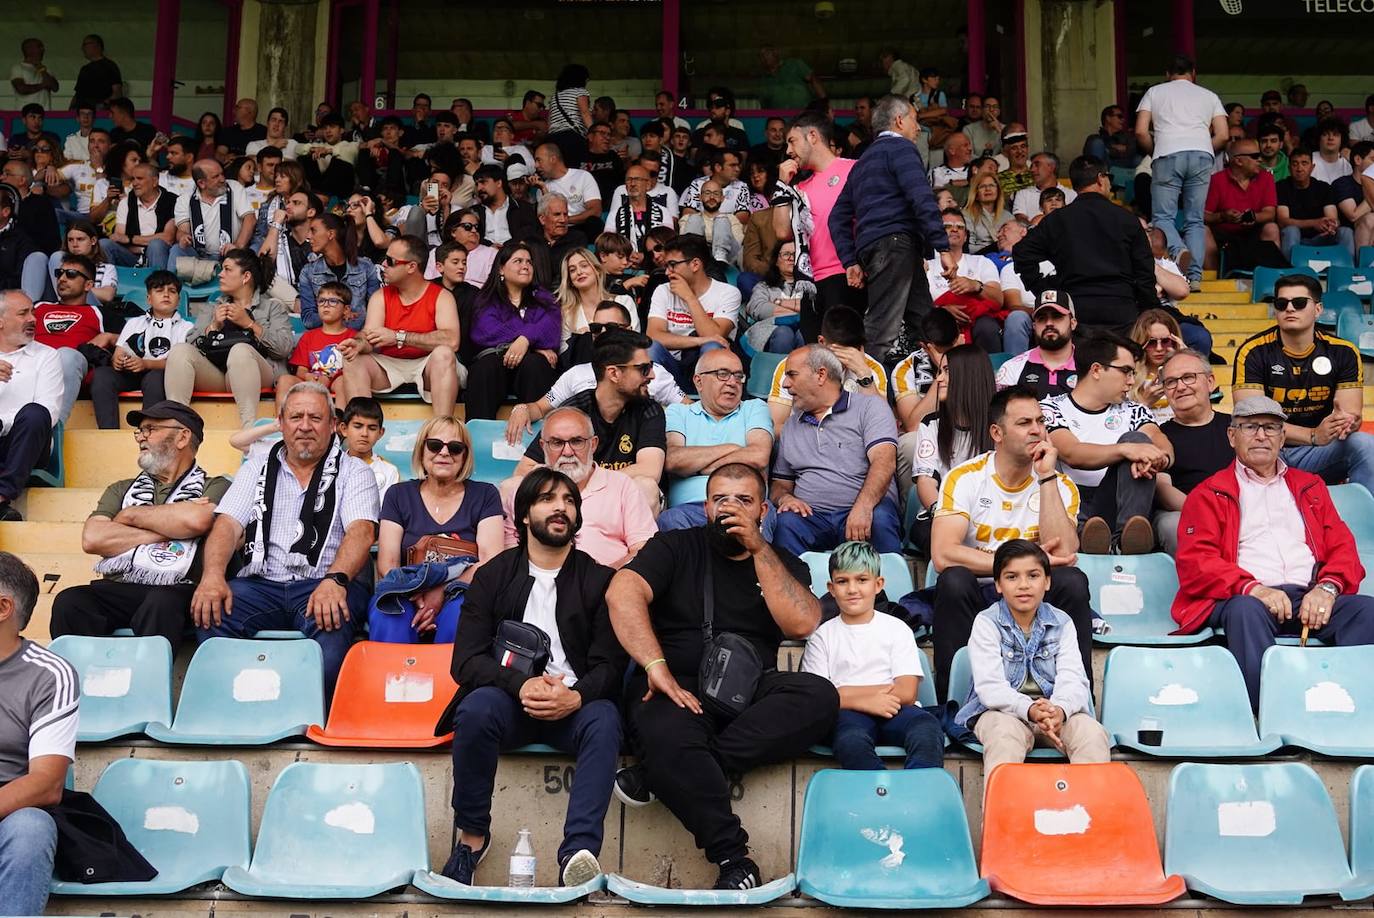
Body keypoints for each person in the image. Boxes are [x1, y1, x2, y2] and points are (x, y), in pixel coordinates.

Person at [608, 463, 837, 891]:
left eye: (743, 501)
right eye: (720, 500)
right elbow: (622, 592)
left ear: (763, 510)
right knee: (669, 736)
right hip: (674, 685)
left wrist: (758, 550)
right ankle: (734, 859)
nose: (729, 508)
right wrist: (655, 668)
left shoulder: (781, 562)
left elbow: (804, 623)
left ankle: (664, 773)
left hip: (746, 692)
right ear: (706, 505)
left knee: (819, 696)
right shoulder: (674, 546)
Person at [439, 467, 625, 887]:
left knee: (605, 720)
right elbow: (465, 662)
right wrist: (520, 685)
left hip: (574, 707)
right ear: (524, 515)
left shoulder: (600, 581)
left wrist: (576, 696)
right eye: (547, 499)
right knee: (475, 709)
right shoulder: (493, 576)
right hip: (510, 704)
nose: (560, 508)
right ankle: (471, 840)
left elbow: (611, 666)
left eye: (569, 500)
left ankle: (577, 855)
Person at [1172, 396, 1374, 706]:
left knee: (1365, 610)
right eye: (1250, 427)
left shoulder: (1310, 485)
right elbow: (1196, 563)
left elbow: (1342, 546)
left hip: (1307, 595)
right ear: (1232, 436)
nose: (1261, 436)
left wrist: (1327, 588)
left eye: (1270, 428)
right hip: (1244, 598)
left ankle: (1347, 703)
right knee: (1244, 611)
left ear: (1282, 437)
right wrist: (1254, 589)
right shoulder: (1209, 493)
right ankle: (1266, 710)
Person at [191, 382, 379, 695]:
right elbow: (227, 525)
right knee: (212, 611)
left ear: (333, 425)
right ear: (280, 423)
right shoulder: (256, 468)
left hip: (324, 582)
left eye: (315, 418)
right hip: (262, 584)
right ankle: (235, 704)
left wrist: (335, 580)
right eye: (296, 417)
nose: (305, 426)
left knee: (331, 618)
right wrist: (212, 576)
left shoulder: (354, 471)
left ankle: (307, 715)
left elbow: (362, 531)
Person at [929, 386, 1093, 701]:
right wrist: (1015, 567)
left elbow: (1065, 553)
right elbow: (943, 553)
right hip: (980, 589)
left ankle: (1079, 701)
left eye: (1041, 421)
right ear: (997, 432)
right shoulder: (965, 478)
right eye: (1024, 423)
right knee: (952, 580)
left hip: (1036, 595)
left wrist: (1046, 478)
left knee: (1072, 581)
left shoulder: (1061, 486)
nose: (1037, 430)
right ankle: (952, 705)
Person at [50, 401, 229, 647]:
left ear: (183, 437)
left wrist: (131, 516)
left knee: (161, 602)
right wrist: (175, 530)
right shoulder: (121, 489)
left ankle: (149, 682)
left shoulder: (216, 486)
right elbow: (93, 539)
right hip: (122, 586)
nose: (141, 438)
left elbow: (198, 520)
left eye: (150, 429)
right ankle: (82, 681)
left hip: (180, 587)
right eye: (140, 431)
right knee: (70, 602)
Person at [951, 539, 1109, 772]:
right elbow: (990, 687)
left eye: (1033, 576)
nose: (1023, 585)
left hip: (1054, 711)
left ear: (1047, 582)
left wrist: (1059, 710)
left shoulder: (1062, 622)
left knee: (1092, 734)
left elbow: (1074, 679)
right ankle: (1004, 809)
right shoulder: (987, 623)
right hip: (1002, 713)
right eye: (1012, 577)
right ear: (998, 584)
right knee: (1004, 737)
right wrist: (1029, 710)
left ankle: (1088, 808)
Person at [801, 540, 942, 772]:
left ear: (878, 585)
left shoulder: (897, 629)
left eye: (862, 580)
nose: (853, 589)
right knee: (850, 741)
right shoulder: (822, 637)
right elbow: (819, 698)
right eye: (843, 581)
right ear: (831, 588)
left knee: (927, 728)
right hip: (846, 715)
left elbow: (907, 691)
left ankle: (917, 793)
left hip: (894, 708)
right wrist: (865, 701)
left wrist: (845, 692)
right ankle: (880, 794)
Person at [830, 94, 952, 361]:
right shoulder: (902, 149)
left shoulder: (862, 163)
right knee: (880, 330)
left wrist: (850, 260)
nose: (918, 128)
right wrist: (942, 245)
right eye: (915, 120)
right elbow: (920, 196)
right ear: (899, 120)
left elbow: (836, 217)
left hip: (881, 248)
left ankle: (937, 383)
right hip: (896, 244)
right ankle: (858, 392)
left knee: (924, 322)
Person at [1233, 273, 1374, 495]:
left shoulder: (1343, 351)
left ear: (1318, 309)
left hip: (1319, 451)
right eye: (1281, 304)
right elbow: (1252, 420)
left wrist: (1346, 423)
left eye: (1299, 303)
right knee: (1247, 439)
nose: (1289, 309)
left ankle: (1365, 519)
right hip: (1267, 448)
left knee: (1364, 444)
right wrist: (1312, 435)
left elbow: (1349, 415)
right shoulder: (1253, 352)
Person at [372, 416, 504, 644]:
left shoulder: (485, 495)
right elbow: (388, 563)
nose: (444, 453)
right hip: (407, 590)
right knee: (390, 615)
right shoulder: (398, 494)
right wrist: (418, 597)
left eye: (454, 448)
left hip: (464, 590)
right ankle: (394, 678)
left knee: (461, 614)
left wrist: (443, 591)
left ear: (464, 456)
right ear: (422, 450)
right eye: (434, 445)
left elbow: (491, 561)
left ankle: (452, 681)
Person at [1042, 332, 1172, 554]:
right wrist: (1126, 450)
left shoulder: (1133, 410)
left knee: (1138, 439)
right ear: (1096, 370)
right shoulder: (1050, 408)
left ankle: (1126, 541)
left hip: (1118, 502)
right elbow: (1072, 453)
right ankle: (1091, 538)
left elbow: (1160, 442)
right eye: (1126, 372)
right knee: (1134, 444)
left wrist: (1158, 458)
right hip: (1070, 506)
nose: (1132, 381)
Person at [0, 552, 76, 918]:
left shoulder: (50, 674)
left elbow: (46, 784)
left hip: (8, 811)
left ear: (3, 607)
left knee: (32, 828)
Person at [771, 344, 900, 554]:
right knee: (785, 523)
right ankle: (795, 587)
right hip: (812, 517)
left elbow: (884, 461)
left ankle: (893, 587)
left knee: (880, 519)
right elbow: (780, 483)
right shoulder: (792, 425)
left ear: (821, 375)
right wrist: (785, 498)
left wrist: (863, 507)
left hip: (866, 509)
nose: (785, 384)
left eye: (792, 375)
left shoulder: (870, 407)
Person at [515, 330, 666, 509]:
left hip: (619, 499)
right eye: (644, 369)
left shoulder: (649, 410)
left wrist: (588, 481)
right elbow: (524, 470)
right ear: (614, 373)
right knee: (515, 485)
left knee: (646, 487)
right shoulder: (574, 410)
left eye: (651, 367)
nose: (652, 376)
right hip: (575, 498)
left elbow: (650, 470)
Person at [1012, 156, 1160, 332]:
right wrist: (1146, 309)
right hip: (1121, 309)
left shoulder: (1057, 220)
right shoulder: (1126, 219)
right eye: (1108, 178)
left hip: (1076, 309)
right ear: (1100, 179)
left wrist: (1047, 288)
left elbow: (1021, 252)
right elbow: (1144, 272)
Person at [164, 248, 294, 427]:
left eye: (227, 269)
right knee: (179, 351)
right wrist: (214, 326)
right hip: (218, 376)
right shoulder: (212, 308)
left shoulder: (272, 308)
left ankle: (249, 429)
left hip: (259, 374)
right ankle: (176, 426)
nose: (220, 275)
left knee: (240, 350)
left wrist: (249, 323)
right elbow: (191, 346)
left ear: (246, 276)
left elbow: (284, 348)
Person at [1134, 54, 1229, 293]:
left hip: (1167, 153)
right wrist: (1206, 148)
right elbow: (1223, 135)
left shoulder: (1155, 92)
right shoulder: (1209, 96)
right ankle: (1195, 277)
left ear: (1167, 74)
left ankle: (1178, 250)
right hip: (1201, 154)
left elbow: (1140, 131)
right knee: (1195, 219)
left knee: (1163, 217)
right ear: (1193, 73)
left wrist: (1155, 152)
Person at [338, 234, 461, 417]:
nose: (384, 265)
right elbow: (368, 335)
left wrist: (398, 336)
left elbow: (452, 341)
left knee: (444, 354)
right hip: (389, 366)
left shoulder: (441, 296)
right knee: (352, 358)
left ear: (412, 267)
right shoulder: (381, 296)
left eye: (390, 261)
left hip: (427, 365)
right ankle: (363, 428)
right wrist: (359, 343)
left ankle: (442, 431)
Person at [659, 348, 773, 533]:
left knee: (764, 518)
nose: (732, 382)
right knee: (669, 520)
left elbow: (758, 455)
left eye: (738, 376)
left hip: (745, 504)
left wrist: (699, 467)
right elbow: (673, 459)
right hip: (689, 508)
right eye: (723, 374)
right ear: (699, 381)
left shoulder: (754, 408)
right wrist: (733, 448)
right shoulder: (678, 412)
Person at [773, 111, 861, 341]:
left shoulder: (854, 169)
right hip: (810, 283)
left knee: (843, 350)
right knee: (814, 352)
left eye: (792, 141)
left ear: (812, 136)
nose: (789, 151)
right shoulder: (801, 187)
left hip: (846, 276)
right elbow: (782, 232)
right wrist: (782, 185)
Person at [464, 240, 561, 420]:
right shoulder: (486, 298)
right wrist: (530, 340)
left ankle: (544, 438)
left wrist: (525, 340)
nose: (526, 266)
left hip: (529, 369)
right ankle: (477, 440)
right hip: (494, 363)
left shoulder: (544, 298)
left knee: (536, 364)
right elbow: (486, 332)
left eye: (529, 262)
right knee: (484, 368)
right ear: (501, 269)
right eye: (518, 261)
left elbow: (552, 330)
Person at [91, 270, 193, 429]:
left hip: (160, 374)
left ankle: (148, 431)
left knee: (155, 378)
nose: (166, 295)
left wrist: (146, 364)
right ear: (149, 299)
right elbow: (120, 350)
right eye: (159, 291)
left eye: (172, 291)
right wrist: (117, 360)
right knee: (102, 375)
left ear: (179, 300)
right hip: (131, 372)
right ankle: (108, 432)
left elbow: (179, 364)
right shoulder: (134, 323)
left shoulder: (186, 328)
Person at [1152, 348, 1230, 554]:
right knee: (1173, 524)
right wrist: (1206, 513)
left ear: (1210, 382)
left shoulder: (1236, 428)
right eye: (1171, 382)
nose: (1180, 387)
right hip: (1185, 513)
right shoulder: (1159, 436)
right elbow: (1162, 489)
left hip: (1237, 510)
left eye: (1188, 377)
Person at [645, 233, 741, 391]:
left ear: (695, 264)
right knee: (651, 348)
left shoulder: (728, 293)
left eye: (673, 265)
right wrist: (698, 341)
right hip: (672, 368)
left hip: (707, 369)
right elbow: (653, 336)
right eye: (666, 266)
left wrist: (690, 298)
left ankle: (710, 406)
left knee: (712, 346)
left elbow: (715, 335)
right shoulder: (663, 291)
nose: (668, 272)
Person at [1203, 138, 1284, 274]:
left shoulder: (1266, 178)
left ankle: (1270, 276)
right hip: (1224, 234)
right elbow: (1205, 215)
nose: (1260, 160)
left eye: (1260, 156)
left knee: (1272, 227)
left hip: (1254, 232)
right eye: (1255, 156)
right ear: (1238, 161)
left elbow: (1270, 213)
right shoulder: (1217, 180)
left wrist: (1252, 217)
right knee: (1201, 230)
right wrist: (1223, 216)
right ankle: (1214, 279)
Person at [168, 159, 257, 269]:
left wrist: (238, 245)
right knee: (176, 250)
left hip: (231, 253)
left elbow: (250, 218)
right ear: (201, 183)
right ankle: (170, 285)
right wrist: (183, 237)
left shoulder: (234, 187)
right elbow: (182, 230)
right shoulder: (184, 199)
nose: (222, 179)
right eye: (216, 177)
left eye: (222, 174)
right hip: (198, 255)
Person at [298, 212, 379, 332]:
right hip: (325, 340)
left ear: (330, 234)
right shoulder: (308, 272)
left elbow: (376, 312)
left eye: (313, 231)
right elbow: (308, 319)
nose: (308, 236)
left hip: (359, 338)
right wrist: (341, 314)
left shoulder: (366, 267)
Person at [279, 279, 354, 408]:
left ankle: (340, 424)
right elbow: (300, 371)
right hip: (312, 380)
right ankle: (281, 424)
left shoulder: (353, 337)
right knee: (284, 380)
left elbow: (355, 371)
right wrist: (310, 377)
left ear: (346, 310)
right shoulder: (308, 336)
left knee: (343, 381)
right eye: (321, 301)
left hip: (337, 380)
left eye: (333, 301)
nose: (326, 305)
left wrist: (329, 379)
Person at [996, 289, 1079, 398]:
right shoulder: (1012, 369)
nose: (1049, 323)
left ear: (1073, 323)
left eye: (1057, 316)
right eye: (1042, 318)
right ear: (1034, 326)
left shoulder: (1091, 367)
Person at [1277, 148, 1351, 261]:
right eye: (1295, 164)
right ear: (1289, 168)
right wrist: (1314, 223)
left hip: (1321, 238)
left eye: (1304, 163)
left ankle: (1348, 272)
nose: (1299, 168)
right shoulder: (1281, 187)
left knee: (1346, 231)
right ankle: (1290, 272)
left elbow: (1333, 218)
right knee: (1291, 230)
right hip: (1296, 240)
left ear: (1312, 167)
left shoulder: (1324, 187)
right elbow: (1283, 221)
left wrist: (1330, 225)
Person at [743, 239, 814, 355]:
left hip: (805, 329)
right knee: (784, 333)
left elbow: (816, 308)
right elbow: (757, 307)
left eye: (795, 255)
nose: (791, 259)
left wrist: (778, 302)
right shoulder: (764, 286)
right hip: (771, 330)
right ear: (776, 261)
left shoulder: (813, 286)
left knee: (803, 333)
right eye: (786, 254)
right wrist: (798, 313)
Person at [103, 162, 176, 269]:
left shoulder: (172, 201)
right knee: (105, 244)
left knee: (156, 245)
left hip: (160, 255)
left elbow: (167, 238)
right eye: (133, 179)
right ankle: (110, 282)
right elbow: (118, 238)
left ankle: (158, 283)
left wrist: (130, 239)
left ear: (155, 181)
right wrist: (139, 246)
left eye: (139, 178)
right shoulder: (126, 202)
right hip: (132, 256)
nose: (134, 183)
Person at [1129, 308, 1185, 424]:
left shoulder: (1187, 375)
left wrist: (1185, 360)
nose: (1159, 348)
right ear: (1140, 343)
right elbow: (1118, 425)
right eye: (1152, 342)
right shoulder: (1127, 376)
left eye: (1165, 341)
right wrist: (1145, 402)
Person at [546, 63, 593, 168]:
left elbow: (549, 121)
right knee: (575, 170)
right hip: (572, 138)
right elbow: (585, 113)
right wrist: (592, 132)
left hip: (553, 139)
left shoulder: (555, 96)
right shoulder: (580, 92)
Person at [1011, 152, 1076, 221]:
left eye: (1037, 165)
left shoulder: (1071, 195)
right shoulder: (1023, 194)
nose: (1032, 170)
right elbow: (1020, 220)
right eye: (1031, 166)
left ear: (1051, 167)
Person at [70, 33, 121, 109]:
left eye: (85, 44)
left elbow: (117, 92)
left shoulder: (109, 66)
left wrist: (103, 106)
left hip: (101, 113)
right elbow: (78, 94)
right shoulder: (84, 69)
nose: (83, 48)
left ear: (97, 45)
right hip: (82, 112)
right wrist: (70, 110)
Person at [1083, 105, 1140, 171]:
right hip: (1105, 165)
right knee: (1096, 143)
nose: (1123, 120)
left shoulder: (1127, 136)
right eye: (1119, 116)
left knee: (1138, 159)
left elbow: (1132, 150)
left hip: (1124, 166)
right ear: (1108, 118)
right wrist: (1116, 148)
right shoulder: (1095, 138)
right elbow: (1087, 155)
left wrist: (1109, 150)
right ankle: (1097, 177)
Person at [10, 38, 58, 110]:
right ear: (28, 50)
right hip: (25, 115)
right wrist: (43, 85)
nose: (43, 49)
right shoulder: (18, 68)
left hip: (45, 114)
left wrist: (42, 69)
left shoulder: (46, 70)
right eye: (39, 47)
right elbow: (21, 89)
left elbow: (55, 88)